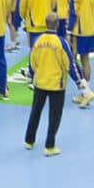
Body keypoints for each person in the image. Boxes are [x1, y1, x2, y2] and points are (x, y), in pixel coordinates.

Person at [25, 23, 70, 156]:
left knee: (35, 111)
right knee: (54, 115)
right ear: (57, 25)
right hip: (56, 84)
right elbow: (68, 63)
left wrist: (35, 76)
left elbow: (32, 61)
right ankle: (49, 146)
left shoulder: (37, 41)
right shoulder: (61, 43)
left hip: (40, 83)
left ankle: (29, 140)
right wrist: (78, 81)